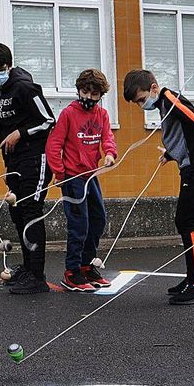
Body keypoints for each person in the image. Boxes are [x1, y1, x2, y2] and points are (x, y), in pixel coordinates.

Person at [122, 69, 194, 306]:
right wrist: (171, 153)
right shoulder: (164, 103)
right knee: (190, 221)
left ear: (154, 88)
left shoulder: (170, 99)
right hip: (190, 166)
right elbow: (185, 133)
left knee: (185, 220)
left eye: (141, 99)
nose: (142, 105)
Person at [0, 43, 58, 295]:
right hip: (14, 163)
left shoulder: (25, 88)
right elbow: (2, 134)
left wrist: (21, 133)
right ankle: (27, 268)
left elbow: (48, 120)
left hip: (36, 157)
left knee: (31, 210)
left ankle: (37, 276)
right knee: (17, 211)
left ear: (9, 66)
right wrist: (7, 161)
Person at [46, 69, 117, 293]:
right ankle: (72, 271)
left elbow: (108, 138)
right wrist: (59, 174)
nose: (88, 97)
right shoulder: (68, 113)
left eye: (94, 94)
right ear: (79, 90)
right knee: (79, 224)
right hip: (72, 177)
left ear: (100, 95)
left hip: (90, 176)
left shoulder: (102, 115)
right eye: (85, 92)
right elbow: (54, 145)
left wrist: (109, 154)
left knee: (98, 219)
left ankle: (87, 266)